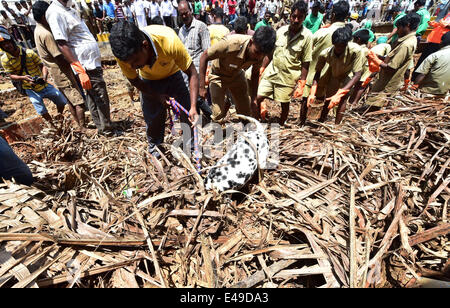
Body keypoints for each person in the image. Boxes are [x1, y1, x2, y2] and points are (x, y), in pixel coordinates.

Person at [110, 21, 199, 156]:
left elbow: (192, 73)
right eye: (130, 64)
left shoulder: (168, 40)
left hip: (174, 74)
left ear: (145, 46)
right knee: (153, 118)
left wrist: (193, 106)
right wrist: (157, 96)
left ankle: (191, 148)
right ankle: (156, 150)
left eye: (136, 62)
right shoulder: (124, 56)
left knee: (187, 113)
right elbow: (135, 80)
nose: (133, 67)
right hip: (149, 81)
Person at [46, 0, 114, 135]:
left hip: (90, 62)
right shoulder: (55, 12)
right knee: (100, 95)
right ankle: (106, 129)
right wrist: (79, 69)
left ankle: (102, 127)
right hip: (85, 64)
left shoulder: (69, 8)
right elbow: (61, 43)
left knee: (93, 95)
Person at [198, 26, 277, 122]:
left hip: (236, 75)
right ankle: (218, 132)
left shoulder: (260, 53)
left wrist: (254, 100)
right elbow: (204, 57)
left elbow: (255, 74)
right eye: (256, 52)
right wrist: (202, 87)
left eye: (262, 55)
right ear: (251, 43)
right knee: (217, 114)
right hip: (218, 75)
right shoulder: (230, 44)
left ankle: (246, 133)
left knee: (246, 111)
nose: (258, 57)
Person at [0, 26, 69, 129]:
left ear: (12, 41)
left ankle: (59, 117)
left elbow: (43, 66)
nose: (6, 46)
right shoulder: (5, 59)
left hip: (42, 83)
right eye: (3, 45)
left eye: (7, 43)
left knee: (61, 100)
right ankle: (52, 124)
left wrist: (44, 77)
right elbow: (10, 75)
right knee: (40, 109)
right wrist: (23, 78)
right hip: (29, 88)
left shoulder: (29, 53)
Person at [255, 1, 312, 126]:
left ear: (304, 18)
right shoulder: (281, 31)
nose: (296, 20)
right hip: (272, 72)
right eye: (294, 16)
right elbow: (270, 53)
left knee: (284, 104)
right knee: (257, 98)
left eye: (300, 17)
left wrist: (302, 82)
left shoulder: (307, 36)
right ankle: (256, 120)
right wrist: (263, 67)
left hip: (288, 77)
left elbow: (306, 61)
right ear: (290, 16)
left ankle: (281, 124)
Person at [32, 1, 87, 130]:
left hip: (57, 73)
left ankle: (79, 125)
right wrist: (73, 61)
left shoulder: (38, 30)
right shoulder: (46, 34)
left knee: (71, 102)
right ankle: (83, 128)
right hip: (62, 72)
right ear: (44, 17)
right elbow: (59, 57)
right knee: (79, 102)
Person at [304, 26, 364, 125]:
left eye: (343, 46)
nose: (340, 48)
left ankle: (336, 126)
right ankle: (321, 120)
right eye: (338, 46)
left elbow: (357, 75)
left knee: (342, 99)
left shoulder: (356, 51)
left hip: (348, 76)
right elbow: (317, 73)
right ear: (333, 43)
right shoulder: (324, 54)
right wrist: (312, 92)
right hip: (334, 75)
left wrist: (340, 93)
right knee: (329, 98)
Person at [365, 12, 420, 110]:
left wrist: (376, 60)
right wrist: (380, 57)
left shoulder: (406, 44)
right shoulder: (406, 41)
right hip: (385, 79)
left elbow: (391, 68)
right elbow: (394, 59)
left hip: (387, 83)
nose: (397, 31)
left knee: (375, 106)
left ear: (407, 26)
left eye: (399, 28)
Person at [304, 0, 349, 97]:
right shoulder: (349, 37)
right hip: (334, 82)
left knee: (307, 102)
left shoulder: (322, 32)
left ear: (332, 15)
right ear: (347, 16)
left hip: (313, 78)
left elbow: (307, 49)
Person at [178, 0, 212, 119]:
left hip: (198, 70)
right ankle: (201, 121)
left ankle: (211, 117)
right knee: (192, 98)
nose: (184, 16)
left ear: (191, 11)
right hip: (185, 72)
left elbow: (207, 51)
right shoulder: (181, 30)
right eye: (181, 14)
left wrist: (207, 73)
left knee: (197, 97)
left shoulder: (200, 26)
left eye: (186, 13)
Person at [412, 31, 450, 96]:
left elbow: (422, 74)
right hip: (446, 92)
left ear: (441, 42)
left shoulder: (435, 55)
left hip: (429, 91)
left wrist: (414, 87)